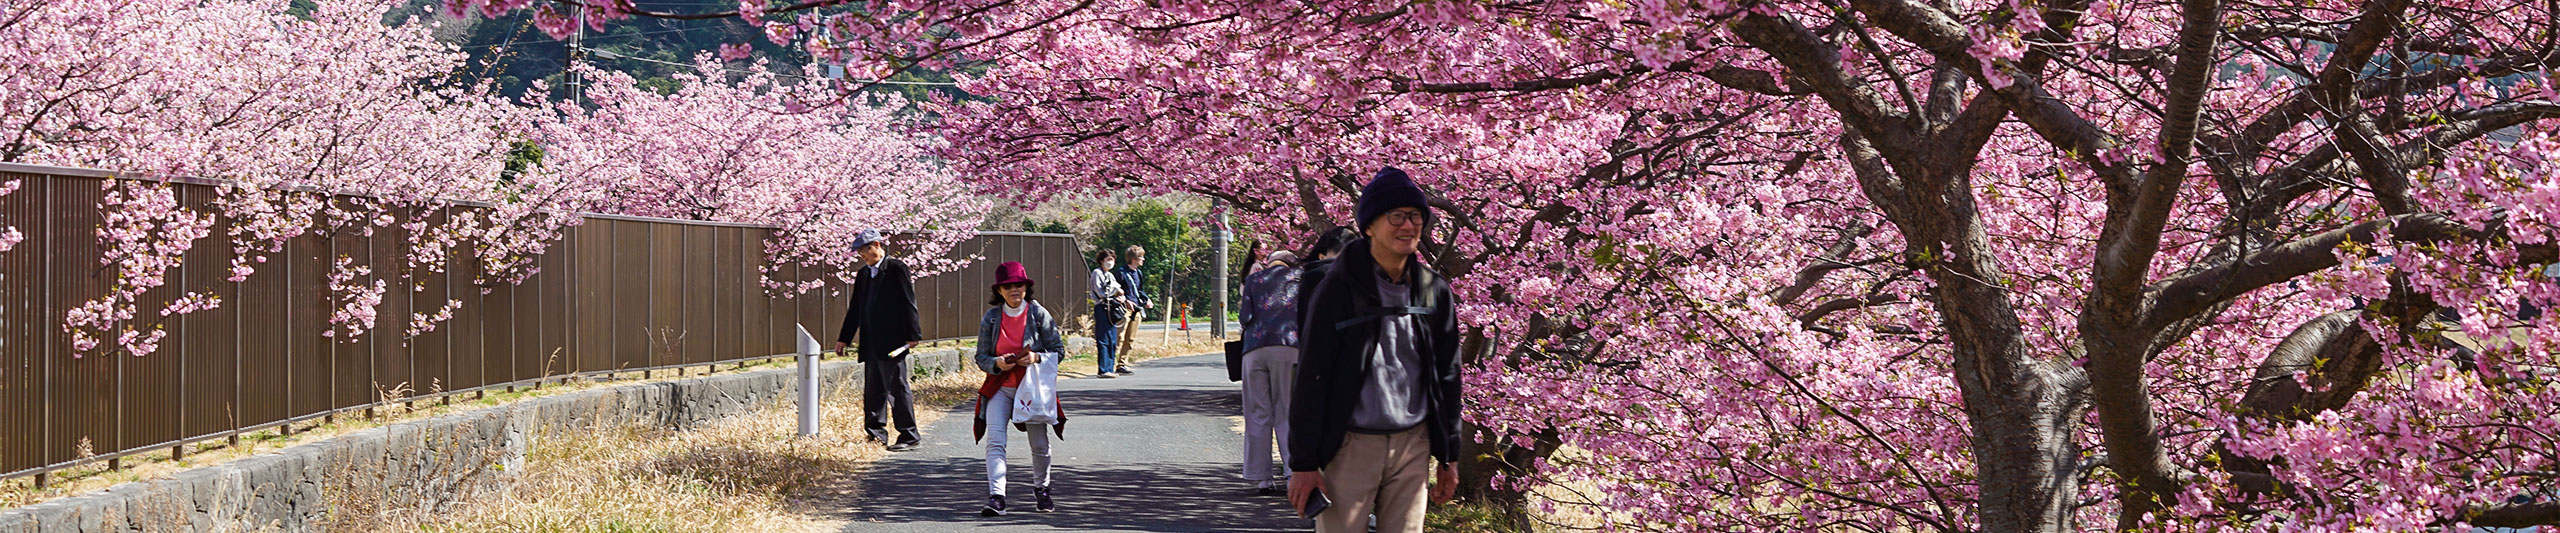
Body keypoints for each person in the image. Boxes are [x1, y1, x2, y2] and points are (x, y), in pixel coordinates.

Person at [1288, 168, 1464, 533]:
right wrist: (1303, 463)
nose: (1408, 226)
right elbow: (1312, 374)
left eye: (1415, 216)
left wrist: (1448, 455)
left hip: (1413, 444)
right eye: (1395, 216)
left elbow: (1447, 375)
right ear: (1369, 226)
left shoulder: (1434, 290)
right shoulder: (1336, 288)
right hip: (1350, 444)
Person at [972, 261, 1069, 516]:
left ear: (1027, 287)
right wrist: (996, 363)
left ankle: (1043, 489)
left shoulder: (1039, 314)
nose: (1015, 290)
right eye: (1008, 286)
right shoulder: (991, 318)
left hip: (1032, 388)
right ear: (1000, 291)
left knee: (1039, 444)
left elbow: (1058, 352)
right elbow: (981, 356)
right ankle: (996, 497)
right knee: (995, 441)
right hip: (1001, 387)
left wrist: (1036, 358)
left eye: (1019, 285)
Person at [834, 229, 923, 451]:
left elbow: (908, 301)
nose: (862, 256)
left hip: (893, 341)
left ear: (877, 245)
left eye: (865, 250)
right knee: (873, 390)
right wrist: (844, 338)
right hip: (870, 340)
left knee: (897, 388)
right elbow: (855, 308)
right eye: (859, 253)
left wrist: (913, 335)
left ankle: (909, 435)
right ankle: (875, 434)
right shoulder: (864, 274)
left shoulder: (896, 268)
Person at [1238, 244, 1305, 495]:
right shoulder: (1300, 279)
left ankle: (1261, 477)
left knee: (1257, 413)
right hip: (1289, 346)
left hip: (1254, 349)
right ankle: (1291, 472)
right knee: (1286, 411)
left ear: (1271, 262)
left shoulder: (1255, 279)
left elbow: (1244, 317)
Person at [1089, 249, 1131, 378]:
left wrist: (1120, 295)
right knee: (1103, 338)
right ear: (1101, 261)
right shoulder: (1097, 273)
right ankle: (1103, 369)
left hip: (1112, 308)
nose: (1110, 262)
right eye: (1108, 260)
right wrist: (1115, 291)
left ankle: (1110, 367)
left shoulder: (1110, 275)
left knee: (1112, 338)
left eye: (1112, 260)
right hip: (1102, 307)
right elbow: (1101, 292)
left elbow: (1120, 290)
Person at [1110, 245, 1151, 374]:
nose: (1143, 259)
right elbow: (1115, 290)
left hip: (1136, 309)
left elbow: (1139, 290)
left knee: (1130, 338)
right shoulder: (1121, 272)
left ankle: (1122, 363)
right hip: (1123, 309)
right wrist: (1125, 300)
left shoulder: (1138, 273)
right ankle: (1109, 363)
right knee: (1119, 337)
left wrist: (1147, 299)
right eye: (1140, 257)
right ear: (1133, 259)